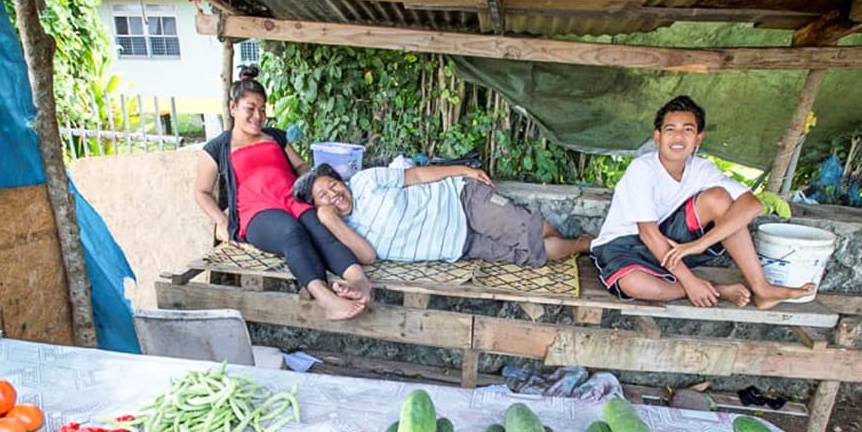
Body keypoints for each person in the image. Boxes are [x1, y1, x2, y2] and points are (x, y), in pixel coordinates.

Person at [590, 95, 816, 309]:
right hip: (624, 245)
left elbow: (752, 204)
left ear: (698, 138)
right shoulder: (642, 169)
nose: (678, 137)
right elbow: (648, 234)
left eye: (687, 130)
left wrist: (700, 244)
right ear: (657, 137)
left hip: (672, 246)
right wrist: (690, 282)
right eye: (670, 129)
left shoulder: (702, 169)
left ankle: (762, 288)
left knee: (719, 199)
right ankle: (713, 289)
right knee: (634, 285)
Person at [193, 67, 371, 320]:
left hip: (292, 201)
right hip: (256, 214)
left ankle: (359, 281)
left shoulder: (276, 137)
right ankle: (325, 297)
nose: (258, 115)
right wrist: (223, 222)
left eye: (263, 109)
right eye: (250, 108)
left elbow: (300, 166)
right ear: (233, 108)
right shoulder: (217, 148)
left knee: (320, 227)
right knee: (291, 231)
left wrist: (312, 185)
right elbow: (201, 192)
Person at [292, 162, 592, 266]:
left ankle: (587, 244)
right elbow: (368, 256)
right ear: (319, 207)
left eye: (333, 184)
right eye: (324, 196)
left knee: (535, 232)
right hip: (460, 246)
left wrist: (464, 170)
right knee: (537, 254)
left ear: (342, 180)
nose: (335, 194)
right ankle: (582, 245)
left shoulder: (367, 181)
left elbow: (419, 175)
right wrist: (330, 219)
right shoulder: (341, 231)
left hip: (461, 201)